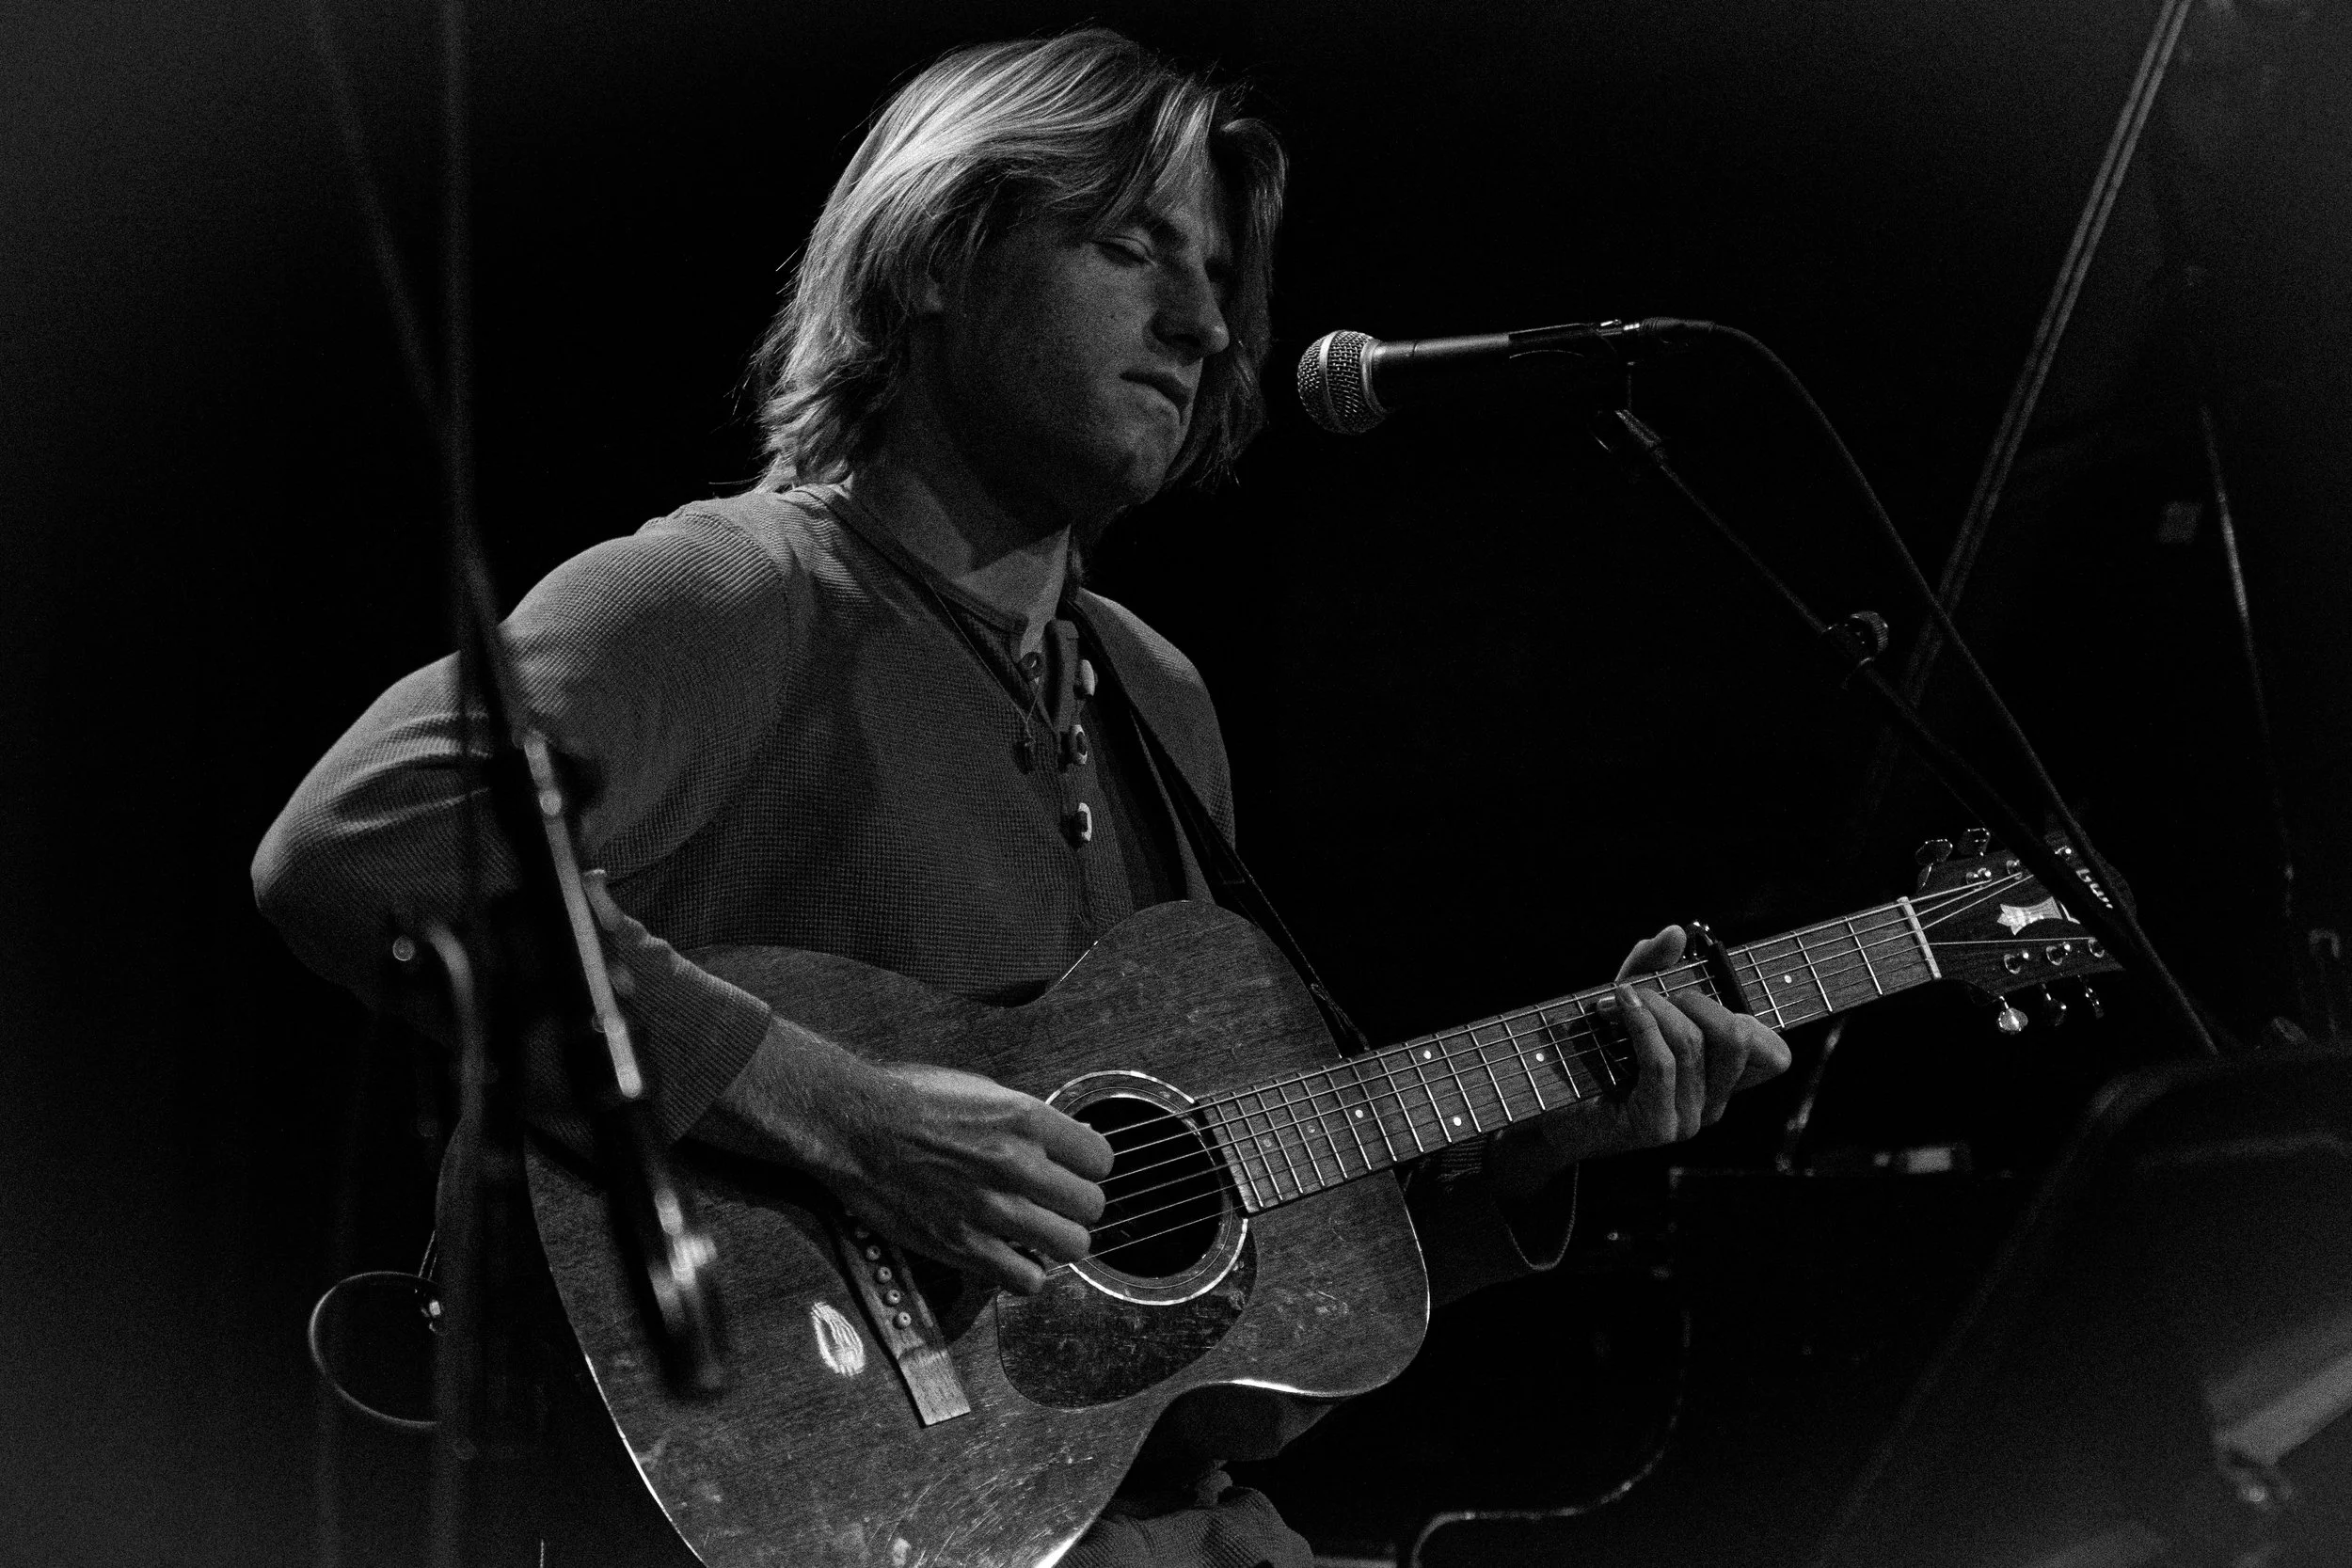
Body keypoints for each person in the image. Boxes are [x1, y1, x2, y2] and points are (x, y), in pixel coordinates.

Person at [254, 27, 1790, 1568]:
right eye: (1129, 249)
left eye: (1212, 272)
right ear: (933, 258)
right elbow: (358, 850)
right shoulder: (719, 599)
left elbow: (1190, 1336)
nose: (1202, 321)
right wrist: (850, 1114)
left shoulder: (1155, 694)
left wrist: (1527, 1151)